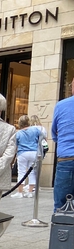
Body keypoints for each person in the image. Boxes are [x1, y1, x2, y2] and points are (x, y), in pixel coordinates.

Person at [51, 76, 74, 213]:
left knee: (61, 205)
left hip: (66, 158)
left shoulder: (61, 105)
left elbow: (54, 133)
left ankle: (61, 233)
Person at [10, 115, 41, 198]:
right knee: (32, 172)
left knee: (21, 172)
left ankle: (20, 192)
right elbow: (42, 138)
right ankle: (30, 192)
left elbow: (15, 145)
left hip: (22, 153)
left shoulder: (18, 133)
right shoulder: (35, 130)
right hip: (34, 152)